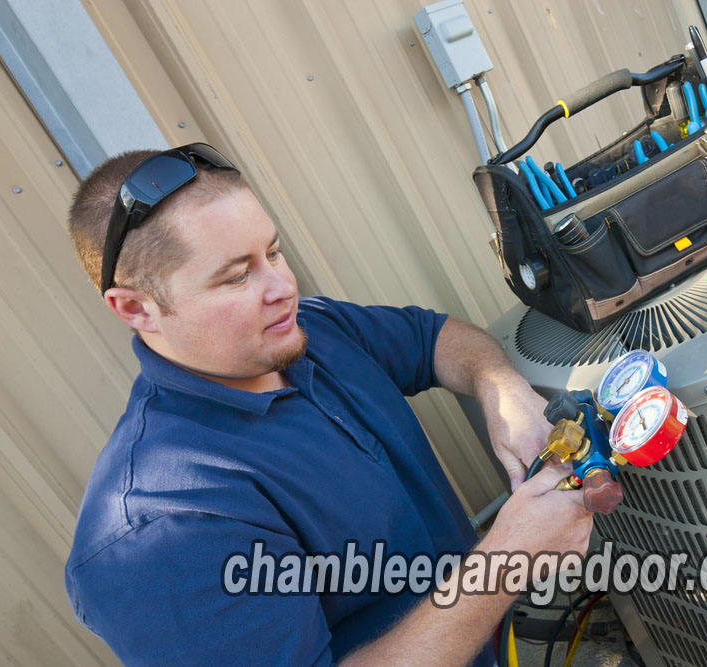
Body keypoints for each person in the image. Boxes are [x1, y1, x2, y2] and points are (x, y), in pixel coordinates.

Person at [63, 143, 593, 665]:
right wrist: (507, 564)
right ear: (137, 308)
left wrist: (502, 389)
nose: (283, 287)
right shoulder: (160, 529)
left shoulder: (310, 330)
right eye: (237, 276)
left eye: (272, 251)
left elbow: (435, 339)